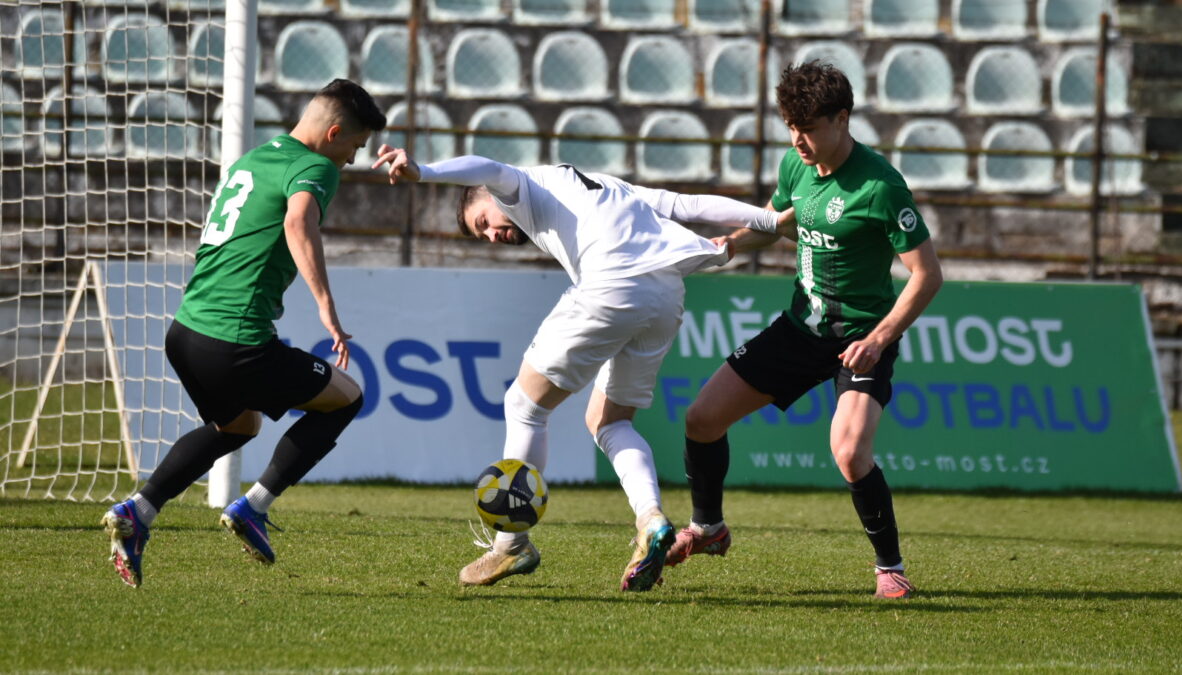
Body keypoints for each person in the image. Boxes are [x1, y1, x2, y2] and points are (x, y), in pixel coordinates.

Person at [372, 147, 794, 591]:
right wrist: (768, 220)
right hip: (666, 293)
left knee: (524, 406)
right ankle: (651, 520)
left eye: (482, 223)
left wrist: (424, 171)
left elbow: (489, 167)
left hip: (612, 285)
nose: (491, 236)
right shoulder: (607, 185)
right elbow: (684, 203)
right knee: (609, 421)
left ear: (490, 197)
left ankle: (511, 543)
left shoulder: (519, 185)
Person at [664, 60, 943, 600]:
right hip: (799, 330)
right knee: (701, 419)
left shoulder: (881, 186)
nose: (798, 140)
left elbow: (927, 276)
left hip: (860, 339)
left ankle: (890, 567)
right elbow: (777, 225)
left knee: (849, 453)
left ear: (843, 118)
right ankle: (708, 529)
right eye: (791, 127)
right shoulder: (796, 166)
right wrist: (722, 246)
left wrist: (880, 339)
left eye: (809, 127)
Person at [101, 79, 387, 588]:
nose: (349, 160)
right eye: (354, 148)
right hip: (236, 340)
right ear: (335, 132)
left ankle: (138, 511)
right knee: (347, 398)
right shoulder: (315, 165)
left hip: (186, 332)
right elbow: (299, 222)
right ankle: (253, 508)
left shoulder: (253, 160)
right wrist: (327, 307)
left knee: (238, 426)